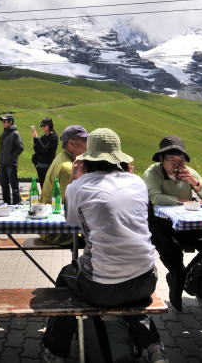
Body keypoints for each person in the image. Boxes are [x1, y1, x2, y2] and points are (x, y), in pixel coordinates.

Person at [41, 128, 168, 363]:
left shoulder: (80, 185)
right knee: (129, 293)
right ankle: (153, 346)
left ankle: (55, 349)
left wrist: (74, 183)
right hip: (147, 278)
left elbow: (72, 224)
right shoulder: (137, 182)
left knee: (66, 280)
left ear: (88, 158)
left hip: (101, 287)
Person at [143, 135, 202, 311]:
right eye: (170, 159)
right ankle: (177, 275)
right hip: (160, 223)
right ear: (162, 160)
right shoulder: (153, 172)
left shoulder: (190, 173)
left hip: (187, 222)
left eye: (179, 160)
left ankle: (186, 276)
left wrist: (194, 182)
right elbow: (155, 197)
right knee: (169, 251)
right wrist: (183, 201)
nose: (175, 164)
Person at [38, 125, 88, 246]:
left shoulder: (63, 158)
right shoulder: (68, 168)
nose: (89, 145)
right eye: (86, 141)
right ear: (71, 144)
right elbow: (71, 205)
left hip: (50, 227)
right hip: (59, 232)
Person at [0, 114, 24, 205]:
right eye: (3, 121)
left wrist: (12, 156)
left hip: (11, 164)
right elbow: (1, 149)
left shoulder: (15, 134)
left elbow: (20, 148)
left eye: (5, 121)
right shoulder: (3, 134)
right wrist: (0, 162)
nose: (3, 123)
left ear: (10, 122)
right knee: (4, 186)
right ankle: (6, 205)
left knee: (14, 187)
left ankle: (16, 206)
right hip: (2, 164)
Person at [31, 117, 58, 187]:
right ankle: (43, 198)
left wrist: (37, 139)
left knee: (48, 187)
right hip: (40, 166)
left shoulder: (53, 137)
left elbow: (45, 150)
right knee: (42, 186)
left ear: (49, 125)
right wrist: (34, 140)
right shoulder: (43, 137)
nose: (42, 127)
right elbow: (37, 150)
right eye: (41, 126)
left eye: (44, 125)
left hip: (48, 166)